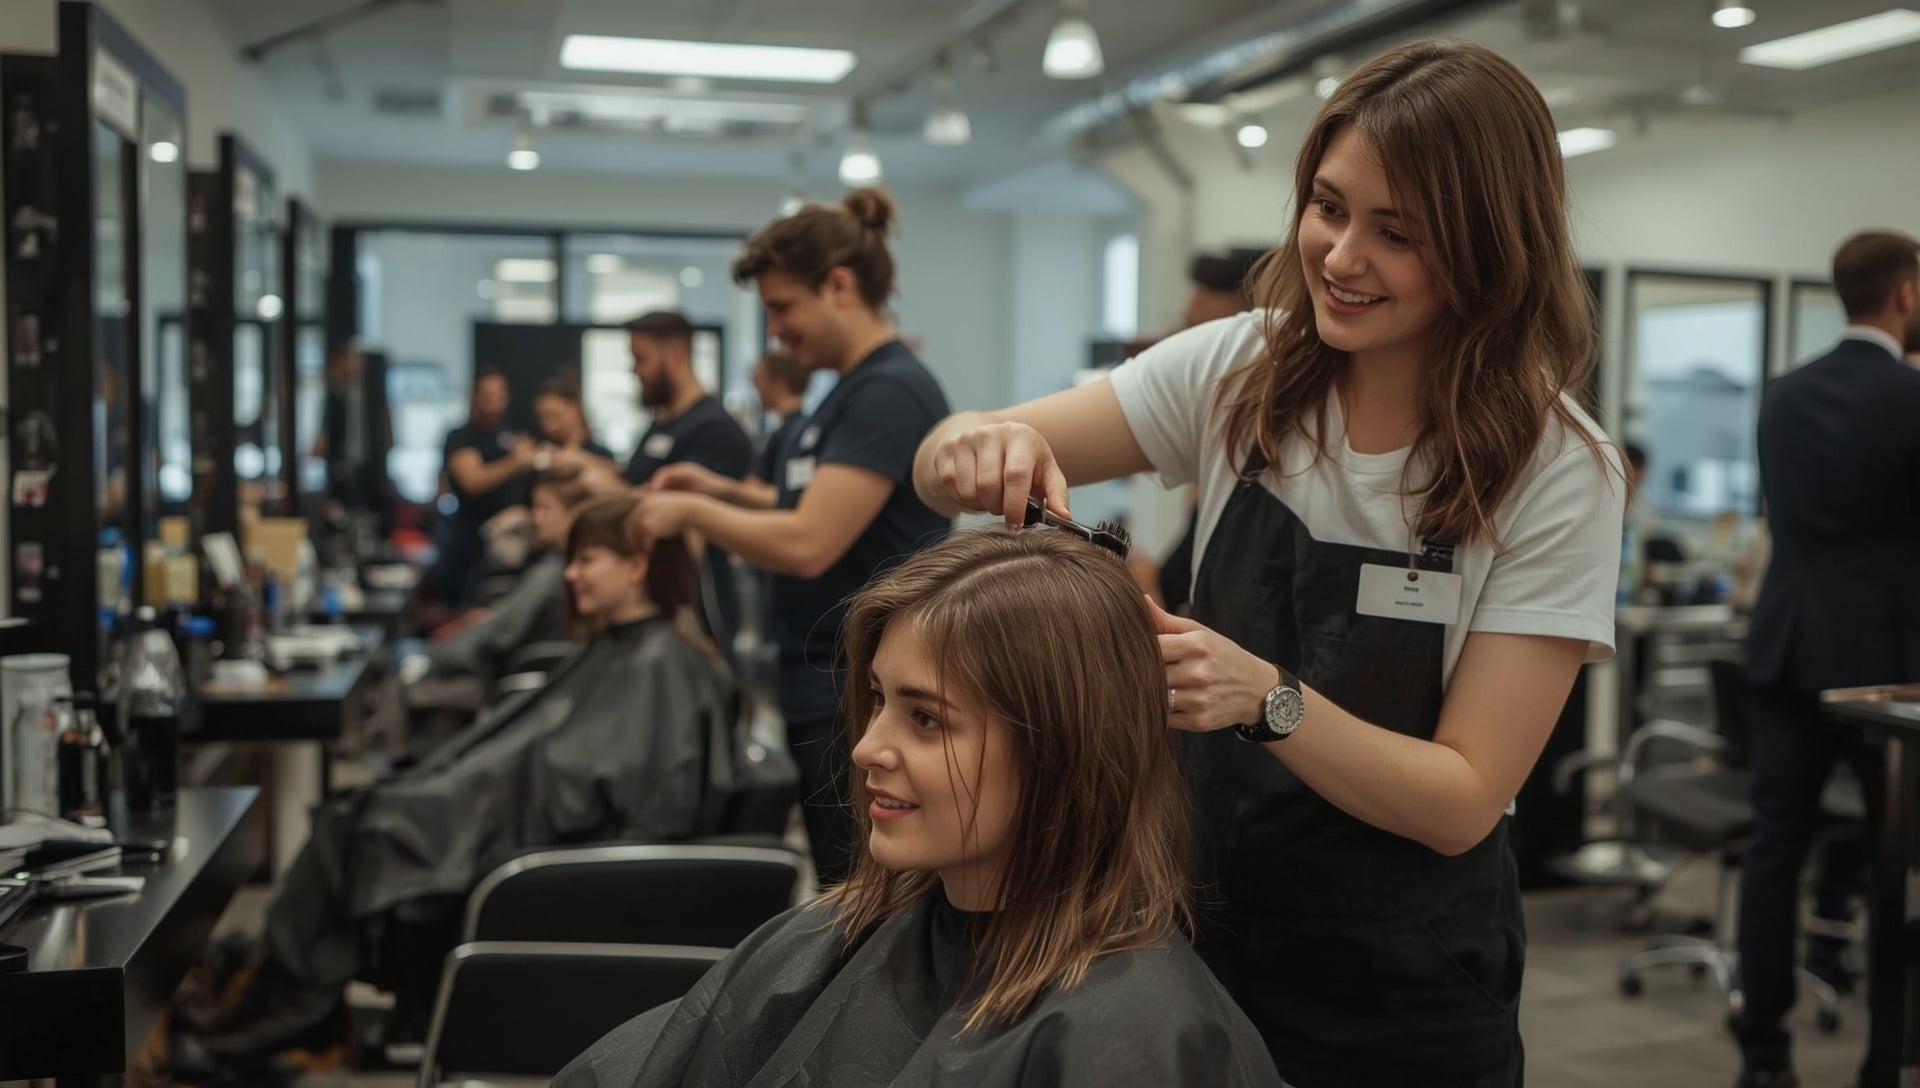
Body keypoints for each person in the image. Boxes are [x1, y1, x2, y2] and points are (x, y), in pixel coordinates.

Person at [914, 40, 1624, 1087]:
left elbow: (1464, 795)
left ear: (1487, 249)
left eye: (1397, 232)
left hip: (1399, 983)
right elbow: (940, 466)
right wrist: (980, 444)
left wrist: (1268, 699)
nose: (1340, 256)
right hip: (1188, 934)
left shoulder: (1558, 466)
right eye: (1329, 207)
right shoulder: (1240, 369)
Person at [554, 527, 1283, 1088]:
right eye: (877, 699)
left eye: (926, 719)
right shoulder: (844, 932)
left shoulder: (1131, 1039)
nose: (870, 747)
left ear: (1066, 751)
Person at [176, 495, 735, 1070]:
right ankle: (272, 1007)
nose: (569, 574)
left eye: (586, 560)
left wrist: (477, 795)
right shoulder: (621, 649)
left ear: (637, 565)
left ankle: (262, 1017)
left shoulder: (664, 667)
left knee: (363, 828)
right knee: (354, 816)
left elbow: (648, 802)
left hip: (556, 856)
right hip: (514, 817)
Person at [633, 189, 952, 887]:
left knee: (866, 891)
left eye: (782, 308)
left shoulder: (887, 395)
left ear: (838, 286)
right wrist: (716, 489)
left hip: (859, 684)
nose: (775, 332)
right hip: (821, 677)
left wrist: (692, 517)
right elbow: (802, 505)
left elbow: (809, 540)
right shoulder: (840, 396)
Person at [1734, 229, 1920, 1088]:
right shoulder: (1911, 398)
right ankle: (1885, 1057)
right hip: (1885, 670)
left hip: (1786, 646)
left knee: (1775, 853)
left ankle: (1764, 1055)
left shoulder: (1782, 395)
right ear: (1906, 295)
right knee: (1892, 863)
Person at [1138, 247, 1269, 614]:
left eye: (1208, 337)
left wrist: (1146, 588)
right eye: (1187, 331)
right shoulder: (1216, 467)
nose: (1189, 353)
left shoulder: (1268, 490)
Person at [408, 471, 592, 693]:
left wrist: (434, 657)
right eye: (535, 508)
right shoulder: (551, 563)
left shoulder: (556, 571)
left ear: (575, 514)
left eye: (545, 508)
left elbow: (502, 631)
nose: (535, 518)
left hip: (513, 671)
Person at [434, 368, 533, 607]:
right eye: (488, 395)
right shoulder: (461, 438)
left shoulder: (509, 436)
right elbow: (472, 481)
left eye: (500, 395)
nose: (495, 403)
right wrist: (514, 462)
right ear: (475, 397)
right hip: (470, 544)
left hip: (511, 543)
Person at [751, 348, 809, 485]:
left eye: (758, 379)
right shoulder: (805, 428)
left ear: (777, 382)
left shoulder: (786, 436)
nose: (755, 388)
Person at [533, 376, 617, 464]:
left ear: (574, 408)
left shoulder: (601, 455)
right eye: (541, 418)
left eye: (555, 415)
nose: (548, 425)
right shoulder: (541, 451)